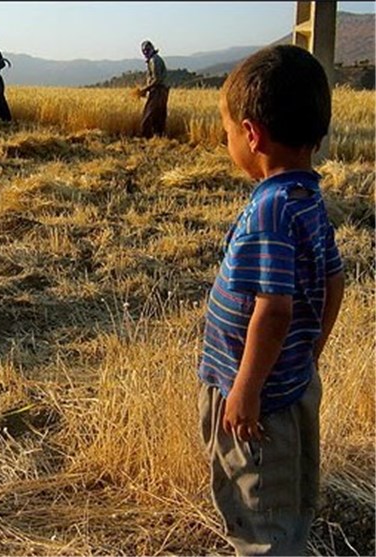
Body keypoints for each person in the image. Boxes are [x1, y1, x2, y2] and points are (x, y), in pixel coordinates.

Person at [197, 44, 346, 556]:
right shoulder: (308, 199)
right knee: (288, 503)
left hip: (257, 402)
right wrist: (309, 357)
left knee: (257, 512)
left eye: (228, 130)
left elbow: (274, 309)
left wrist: (246, 389)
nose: (227, 140)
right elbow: (334, 282)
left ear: (252, 135)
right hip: (291, 385)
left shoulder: (271, 210)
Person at [138, 40, 169, 138]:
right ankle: (159, 137)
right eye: (144, 51)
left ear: (151, 48)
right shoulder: (155, 59)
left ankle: (145, 138)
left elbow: (157, 79)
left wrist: (145, 89)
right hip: (161, 91)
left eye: (147, 50)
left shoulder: (154, 60)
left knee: (148, 116)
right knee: (159, 117)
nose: (145, 53)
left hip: (158, 91)